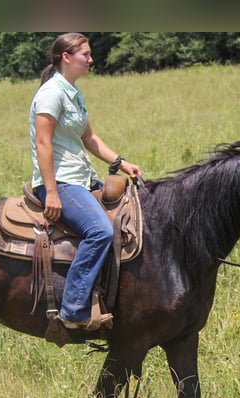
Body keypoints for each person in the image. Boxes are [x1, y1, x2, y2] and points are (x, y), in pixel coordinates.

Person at [29, 33, 141, 331]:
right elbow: (43, 142)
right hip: (61, 183)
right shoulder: (51, 93)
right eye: (86, 55)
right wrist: (51, 192)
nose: (91, 60)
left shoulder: (73, 92)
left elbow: (89, 138)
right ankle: (74, 309)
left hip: (81, 178)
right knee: (100, 231)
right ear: (66, 57)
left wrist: (121, 163)